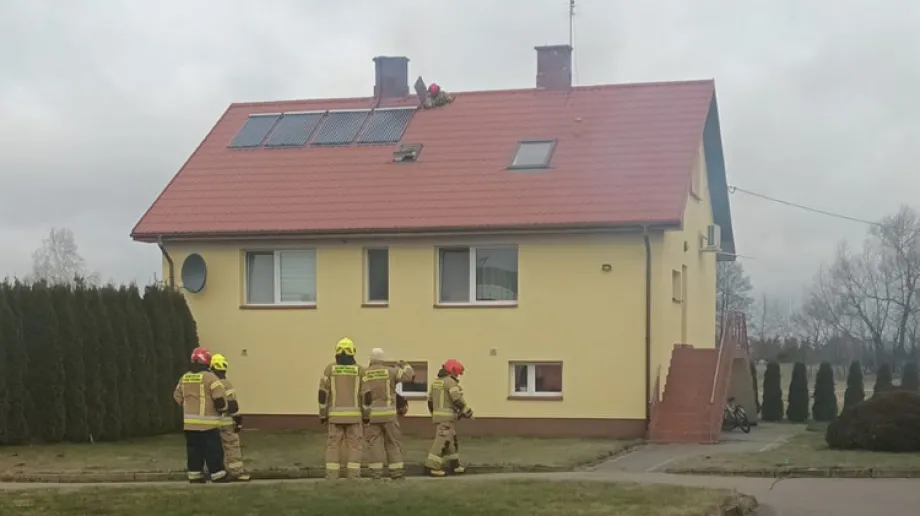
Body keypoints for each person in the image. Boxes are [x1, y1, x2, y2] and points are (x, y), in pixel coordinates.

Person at [173, 346, 230, 484]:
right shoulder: (211, 378)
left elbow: (177, 397)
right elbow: (220, 400)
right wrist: (223, 410)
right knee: (213, 451)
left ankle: (195, 475)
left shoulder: (184, 378)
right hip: (209, 425)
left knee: (194, 452)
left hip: (190, 425)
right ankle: (218, 475)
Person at [318, 337, 370, 480]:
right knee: (354, 446)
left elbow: (323, 394)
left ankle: (331, 476)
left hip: (334, 417)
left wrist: (323, 414)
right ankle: (353, 476)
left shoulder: (330, 369)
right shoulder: (360, 371)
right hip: (355, 417)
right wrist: (366, 416)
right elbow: (366, 396)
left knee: (333, 446)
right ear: (353, 352)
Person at [361, 348, 415, 480]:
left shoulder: (364, 373)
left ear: (371, 359)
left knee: (374, 444)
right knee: (392, 443)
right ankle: (396, 474)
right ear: (383, 359)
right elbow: (409, 376)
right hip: (389, 415)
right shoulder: (390, 371)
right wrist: (405, 364)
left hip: (372, 416)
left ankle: (376, 474)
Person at [424, 359, 472, 477]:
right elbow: (456, 399)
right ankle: (431, 467)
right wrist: (466, 410)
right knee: (441, 441)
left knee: (449, 440)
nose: (457, 376)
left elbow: (430, 401)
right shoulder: (451, 383)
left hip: (438, 416)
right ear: (452, 371)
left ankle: (454, 465)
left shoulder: (436, 383)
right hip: (447, 417)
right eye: (457, 373)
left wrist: (435, 413)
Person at [209, 353, 249, 482]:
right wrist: (238, 421)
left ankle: (217, 472)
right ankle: (236, 472)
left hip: (209, 423)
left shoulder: (208, 382)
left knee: (214, 448)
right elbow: (233, 406)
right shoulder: (225, 384)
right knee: (232, 446)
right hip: (225, 422)